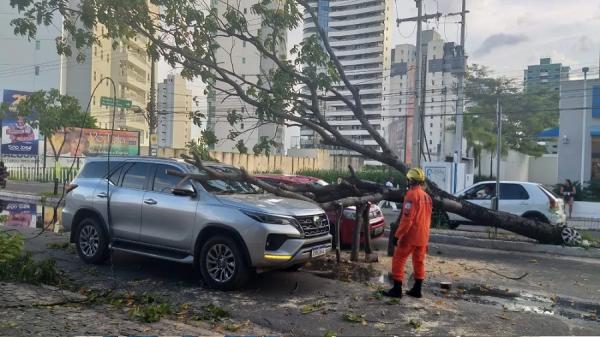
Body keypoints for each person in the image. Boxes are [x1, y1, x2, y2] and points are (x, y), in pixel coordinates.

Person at [382, 167, 432, 299]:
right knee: (419, 261)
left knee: (399, 259)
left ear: (410, 180)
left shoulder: (411, 195)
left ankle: (397, 289)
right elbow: (427, 218)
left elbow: (407, 220)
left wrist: (397, 235)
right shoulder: (426, 197)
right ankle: (417, 289)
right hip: (423, 235)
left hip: (410, 235)